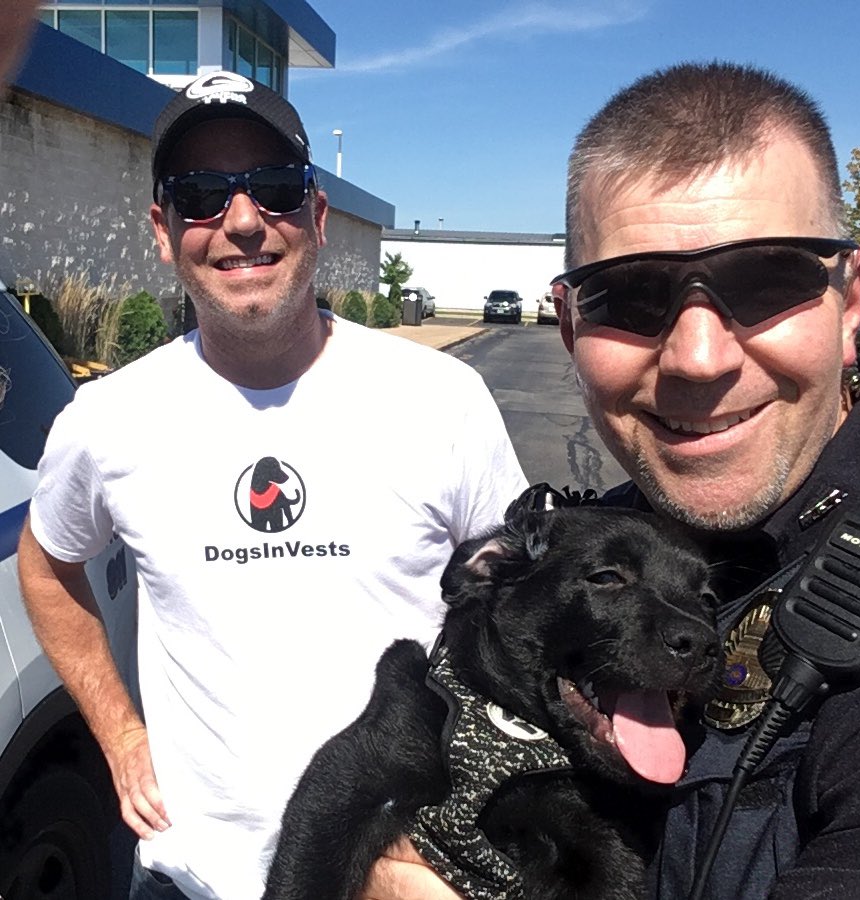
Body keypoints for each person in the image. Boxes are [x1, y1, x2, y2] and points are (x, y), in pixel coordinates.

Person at [359, 61, 860, 899]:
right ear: (571, 322)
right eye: (633, 294)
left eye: (766, 280)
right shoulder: (608, 538)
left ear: (852, 297)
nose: (697, 356)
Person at [17, 71, 527, 900]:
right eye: (203, 194)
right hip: (194, 878)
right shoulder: (107, 420)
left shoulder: (440, 400)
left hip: (403, 873)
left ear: (317, 217)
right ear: (163, 228)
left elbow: (521, 609)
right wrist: (118, 732)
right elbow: (47, 566)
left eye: (276, 190)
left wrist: (478, 809)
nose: (243, 222)